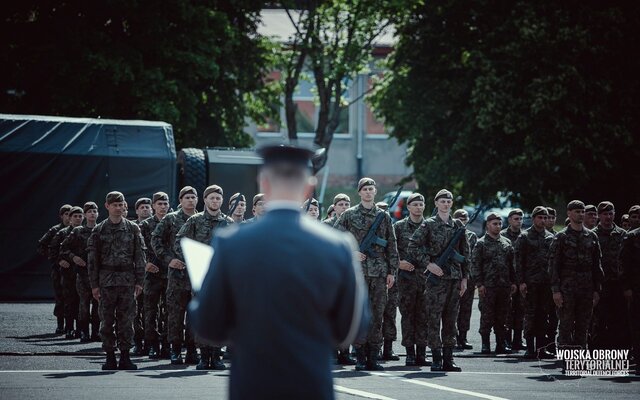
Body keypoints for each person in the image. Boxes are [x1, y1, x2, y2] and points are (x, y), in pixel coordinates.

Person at [189, 144, 370, 400]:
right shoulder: (337, 246)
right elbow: (352, 327)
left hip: (253, 385)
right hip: (311, 384)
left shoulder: (231, 243)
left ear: (263, 183)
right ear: (309, 187)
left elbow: (209, 325)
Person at [336, 177, 399, 371]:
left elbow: (391, 244)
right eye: (365, 189)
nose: (369, 192)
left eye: (371, 189)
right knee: (359, 314)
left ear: (375, 192)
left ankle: (374, 356)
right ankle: (360, 356)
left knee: (378, 314)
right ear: (359, 192)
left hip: (380, 273)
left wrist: (392, 271)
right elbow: (336, 237)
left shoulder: (384, 216)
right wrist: (352, 252)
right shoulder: (349, 214)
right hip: (357, 273)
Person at [407, 189, 469, 372]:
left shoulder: (458, 225)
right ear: (436, 203)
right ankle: (436, 358)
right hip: (437, 280)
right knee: (434, 319)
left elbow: (466, 254)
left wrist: (465, 278)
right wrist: (429, 264)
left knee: (451, 320)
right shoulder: (428, 225)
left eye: (449, 201)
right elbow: (413, 246)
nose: (446, 204)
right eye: (442, 201)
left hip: (454, 278)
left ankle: (449, 359)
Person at [175, 184, 233, 370]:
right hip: (201, 275)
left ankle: (216, 356)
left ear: (222, 201)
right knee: (203, 314)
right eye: (212, 198)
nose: (215, 201)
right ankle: (203, 355)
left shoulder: (229, 222)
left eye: (218, 198)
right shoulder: (195, 220)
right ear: (206, 200)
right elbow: (180, 242)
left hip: (222, 277)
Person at [87, 191, 146, 370]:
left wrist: (140, 281)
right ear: (107, 206)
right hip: (106, 281)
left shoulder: (132, 228)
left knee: (127, 320)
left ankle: (125, 357)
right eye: (115, 205)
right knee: (106, 320)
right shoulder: (99, 230)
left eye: (121, 205)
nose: (118, 208)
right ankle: (110, 356)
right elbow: (92, 261)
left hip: (128, 281)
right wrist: (94, 285)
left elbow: (140, 255)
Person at [549, 200, 603, 360]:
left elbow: (596, 265)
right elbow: (553, 266)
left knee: (583, 326)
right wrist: (556, 291)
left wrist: (597, 289)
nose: (580, 214)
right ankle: (567, 360)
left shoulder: (591, 236)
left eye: (582, 211)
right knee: (565, 326)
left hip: (586, 289)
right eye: (577, 211)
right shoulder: (561, 237)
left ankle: (580, 359)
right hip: (567, 290)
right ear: (569, 214)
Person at [151, 186, 198, 365]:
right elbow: (156, 239)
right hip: (177, 276)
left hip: (195, 276)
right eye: (186, 197)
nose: (190, 200)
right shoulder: (171, 219)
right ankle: (176, 351)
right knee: (175, 315)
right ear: (180, 200)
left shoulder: (200, 219)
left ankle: (192, 350)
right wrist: (168, 259)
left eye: (193, 197)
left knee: (194, 315)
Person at [514, 206, 555, 359]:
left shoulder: (551, 237)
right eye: (540, 217)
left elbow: (554, 262)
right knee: (530, 315)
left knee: (543, 316)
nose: (543, 220)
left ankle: (541, 348)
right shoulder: (524, 237)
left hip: (546, 283)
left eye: (545, 218)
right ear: (533, 219)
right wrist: (521, 282)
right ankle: (529, 347)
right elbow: (518, 262)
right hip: (530, 283)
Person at [472, 213, 516, 354]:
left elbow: (511, 264)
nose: (497, 226)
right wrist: (480, 284)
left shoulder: (506, 242)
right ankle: (485, 344)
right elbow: (475, 265)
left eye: (499, 224)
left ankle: (501, 344)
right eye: (494, 224)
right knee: (487, 316)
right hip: (488, 286)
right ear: (487, 225)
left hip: (504, 286)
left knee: (503, 316)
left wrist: (513, 282)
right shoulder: (481, 243)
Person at [395, 193, 428, 366]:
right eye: (414, 204)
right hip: (405, 279)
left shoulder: (429, 226)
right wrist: (399, 264)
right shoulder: (399, 227)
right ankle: (409, 353)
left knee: (423, 316)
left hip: (425, 278)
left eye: (420, 204)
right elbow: (391, 251)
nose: (418, 207)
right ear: (408, 207)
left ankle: (422, 353)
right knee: (407, 316)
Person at [60, 202, 100, 342]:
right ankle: (84, 332)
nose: (92, 214)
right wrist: (74, 257)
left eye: (94, 211)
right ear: (85, 215)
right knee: (83, 305)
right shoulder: (77, 231)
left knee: (98, 306)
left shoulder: (101, 229)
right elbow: (63, 248)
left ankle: (96, 332)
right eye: (89, 212)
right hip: (82, 275)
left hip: (99, 276)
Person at [591, 201, 627, 349]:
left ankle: (617, 351)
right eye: (605, 214)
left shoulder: (623, 235)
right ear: (599, 216)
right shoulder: (592, 235)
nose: (608, 217)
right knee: (598, 320)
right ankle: (597, 351)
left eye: (610, 213)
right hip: (600, 284)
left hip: (618, 284)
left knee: (619, 319)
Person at [140, 192, 171, 359]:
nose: (163, 207)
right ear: (154, 206)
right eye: (159, 204)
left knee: (169, 312)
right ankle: (152, 344)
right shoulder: (144, 225)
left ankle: (166, 345)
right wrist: (145, 264)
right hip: (151, 274)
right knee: (150, 311)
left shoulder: (173, 221)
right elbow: (138, 248)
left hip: (171, 274)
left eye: (165, 203)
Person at [50, 206, 84, 339]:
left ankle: (81, 329)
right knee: (68, 301)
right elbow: (53, 250)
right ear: (69, 218)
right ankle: (68, 327)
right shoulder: (62, 233)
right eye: (75, 216)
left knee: (82, 302)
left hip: (82, 274)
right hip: (67, 273)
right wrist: (59, 261)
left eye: (80, 216)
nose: (78, 218)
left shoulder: (87, 232)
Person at [37, 204, 72, 334]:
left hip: (73, 270)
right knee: (60, 297)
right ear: (62, 216)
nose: (69, 217)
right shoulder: (56, 230)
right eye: (66, 214)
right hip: (59, 270)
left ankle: (71, 326)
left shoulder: (76, 230)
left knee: (73, 298)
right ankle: (60, 324)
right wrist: (56, 260)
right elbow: (42, 246)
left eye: (71, 214)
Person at [453, 208, 478, 351]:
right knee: (452, 309)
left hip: (467, 276)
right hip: (452, 276)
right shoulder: (450, 233)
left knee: (466, 309)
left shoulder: (472, 236)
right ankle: (453, 336)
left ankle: (463, 336)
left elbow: (470, 258)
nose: (462, 221)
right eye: (460, 219)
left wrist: (468, 277)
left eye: (465, 219)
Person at [500, 208, 524, 352]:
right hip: (506, 280)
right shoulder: (502, 236)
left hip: (521, 279)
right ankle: (506, 340)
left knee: (521, 311)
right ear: (509, 220)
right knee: (507, 312)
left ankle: (518, 340)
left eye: (521, 219)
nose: (519, 221)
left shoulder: (525, 236)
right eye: (516, 219)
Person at [620, 219, 640, 374]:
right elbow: (623, 264)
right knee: (636, 326)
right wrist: (627, 287)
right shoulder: (632, 236)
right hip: (636, 288)